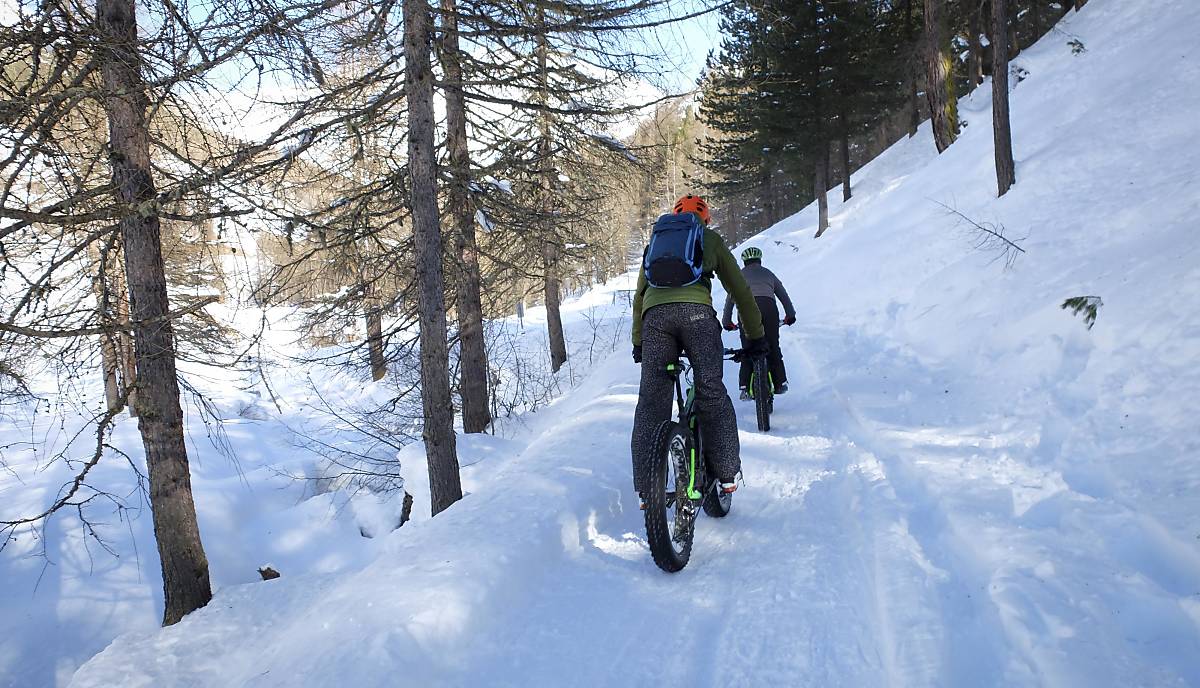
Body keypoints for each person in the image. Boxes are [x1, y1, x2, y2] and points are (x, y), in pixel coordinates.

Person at [631, 195, 768, 498]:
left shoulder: (655, 243)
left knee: (651, 404)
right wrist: (756, 337)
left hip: (655, 322)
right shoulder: (709, 239)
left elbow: (640, 296)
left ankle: (646, 490)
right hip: (697, 318)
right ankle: (727, 474)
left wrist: (639, 342)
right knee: (711, 391)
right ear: (705, 219)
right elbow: (740, 290)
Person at [721, 246, 795, 399]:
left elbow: (730, 300)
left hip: (746, 309)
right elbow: (783, 295)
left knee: (748, 348)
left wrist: (727, 322)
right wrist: (790, 315)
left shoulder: (739, 276)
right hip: (769, 309)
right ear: (760, 260)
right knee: (773, 345)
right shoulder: (768, 274)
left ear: (744, 262)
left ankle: (744, 387)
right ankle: (780, 382)